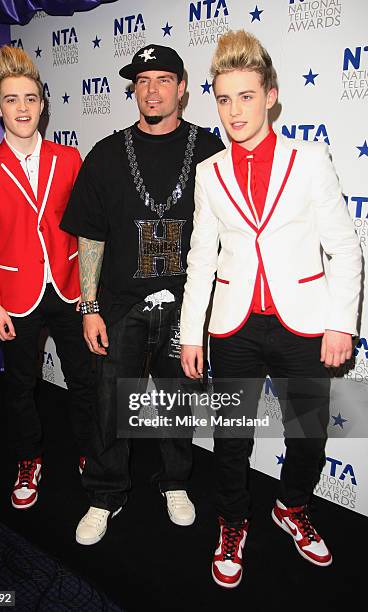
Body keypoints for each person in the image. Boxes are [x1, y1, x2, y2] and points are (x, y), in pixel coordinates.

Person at [180, 30, 362, 588]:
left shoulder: (309, 159)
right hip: (232, 327)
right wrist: (191, 334)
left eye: (246, 96)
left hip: (302, 324)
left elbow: (344, 246)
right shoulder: (210, 171)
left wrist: (340, 323)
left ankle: (292, 506)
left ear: (271, 96)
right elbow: (200, 254)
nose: (234, 111)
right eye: (224, 98)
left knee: (307, 435)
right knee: (231, 438)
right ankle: (232, 522)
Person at [61, 44, 225, 544]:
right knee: (112, 405)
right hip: (120, 304)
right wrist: (89, 307)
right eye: (142, 81)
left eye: (162, 80)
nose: (151, 90)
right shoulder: (108, 153)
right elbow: (90, 234)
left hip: (186, 307)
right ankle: (104, 494)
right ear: (134, 88)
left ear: (181, 88)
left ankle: (175, 482)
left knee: (179, 401)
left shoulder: (209, 150)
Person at [0, 46, 94, 510]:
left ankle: (89, 452)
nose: (23, 107)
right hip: (15, 297)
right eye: (12, 99)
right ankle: (28, 459)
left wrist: (91, 297)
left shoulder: (69, 157)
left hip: (68, 287)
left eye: (31, 98)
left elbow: (87, 231)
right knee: (21, 387)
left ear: (42, 103)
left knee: (85, 378)